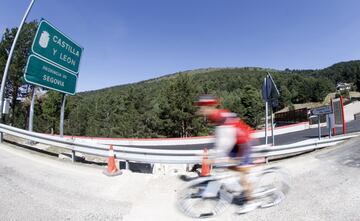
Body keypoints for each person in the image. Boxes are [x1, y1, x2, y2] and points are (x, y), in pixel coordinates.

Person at [195, 95, 259, 212]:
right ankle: (245, 185)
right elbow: (219, 138)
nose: (201, 110)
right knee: (230, 167)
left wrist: (215, 158)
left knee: (242, 173)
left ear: (211, 106)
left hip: (243, 142)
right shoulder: (215, 116)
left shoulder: (220, 117)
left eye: (203, 107)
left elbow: (224, 142)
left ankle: (252, 201)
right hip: (236, 142)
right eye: (200, 107)